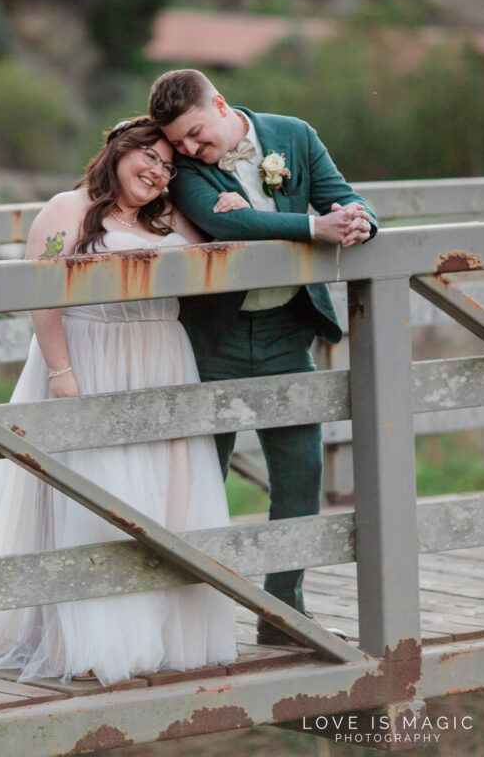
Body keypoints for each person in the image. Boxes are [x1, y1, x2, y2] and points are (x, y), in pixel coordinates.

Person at [0, 117, 236, 685]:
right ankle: (91, 640)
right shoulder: (69, 209)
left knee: (164, 498)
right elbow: (42, 290)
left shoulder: (167, 215)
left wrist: (225, 201)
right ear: (117, 151)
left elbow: (215, 250)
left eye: (168, 166)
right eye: (148, 158)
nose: (157, 172)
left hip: (162, 360)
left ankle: (158, 636)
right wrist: (61, 369)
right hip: (91, 357)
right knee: (99, 499)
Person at [149, 69, 377, 647]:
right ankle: (184, 621)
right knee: (202, 479)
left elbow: (342, 197)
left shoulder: (293, 135)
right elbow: (224, 220)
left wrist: (358, 221)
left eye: (197, 135)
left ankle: (284, 615)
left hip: (286, 332)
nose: (188, 150)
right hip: (213, 338)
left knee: (302, 472)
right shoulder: (186, 167)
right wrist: (310, 225)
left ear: (220, 105)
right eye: (179, 144)